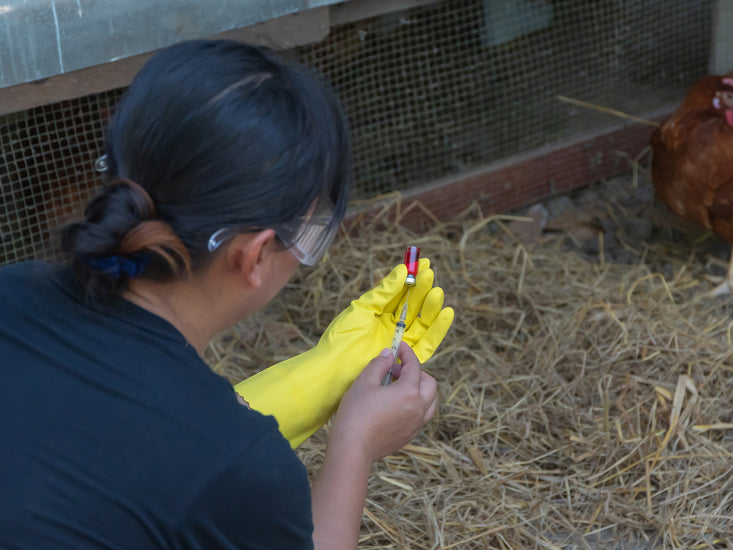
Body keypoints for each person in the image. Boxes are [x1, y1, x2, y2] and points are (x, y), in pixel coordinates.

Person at [0, 40, 454, 549]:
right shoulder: (242, 470)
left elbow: (125, 440)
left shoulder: (11, 289)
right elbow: (192, 456)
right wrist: (355, 444)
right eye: (310, 231)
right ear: (254, 256)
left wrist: (322, 374)